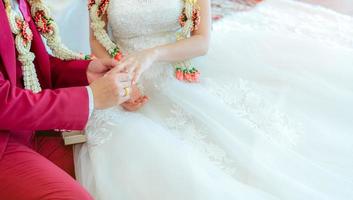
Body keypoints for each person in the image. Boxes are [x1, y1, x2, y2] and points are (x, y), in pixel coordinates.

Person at [54, 0, 352, 199]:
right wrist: (121, 83)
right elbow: (98, 40)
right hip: (126, 75)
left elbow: (201, 40)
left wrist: (153, 54)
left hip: (178, 68)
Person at [0, 0, 133, 199]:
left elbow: (28, 63)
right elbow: (3, 103)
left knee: (109, 168)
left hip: (29, 130)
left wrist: (85, 73)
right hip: (5, 141)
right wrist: (90, 97)